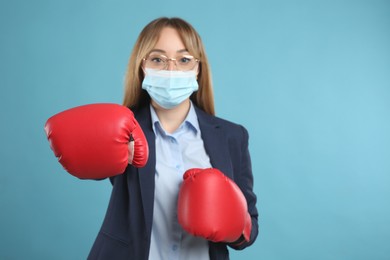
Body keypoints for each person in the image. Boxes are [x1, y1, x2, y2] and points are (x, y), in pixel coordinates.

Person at [45, 17, 258, 260]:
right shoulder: (124, 132)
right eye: (157, 59)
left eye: (184, 59)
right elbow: (85, 159)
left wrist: (231, 225)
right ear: (142, 66)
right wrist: (114, 148)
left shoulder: (232, 136)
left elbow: (249, 228)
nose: (171, 70)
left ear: (198, 69)